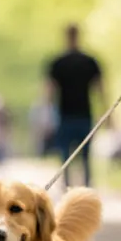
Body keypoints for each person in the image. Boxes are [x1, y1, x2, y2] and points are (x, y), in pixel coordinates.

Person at [45, 24, 107, 187]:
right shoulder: (89, 61)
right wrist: (107, 112)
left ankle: (67, 188)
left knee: (66, 156)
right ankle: (86, 188)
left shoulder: (57, 63)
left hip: (66, 115)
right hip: (83, 114)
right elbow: (100, 89)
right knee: (85, 156)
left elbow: (49, 92)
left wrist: (47, 114)